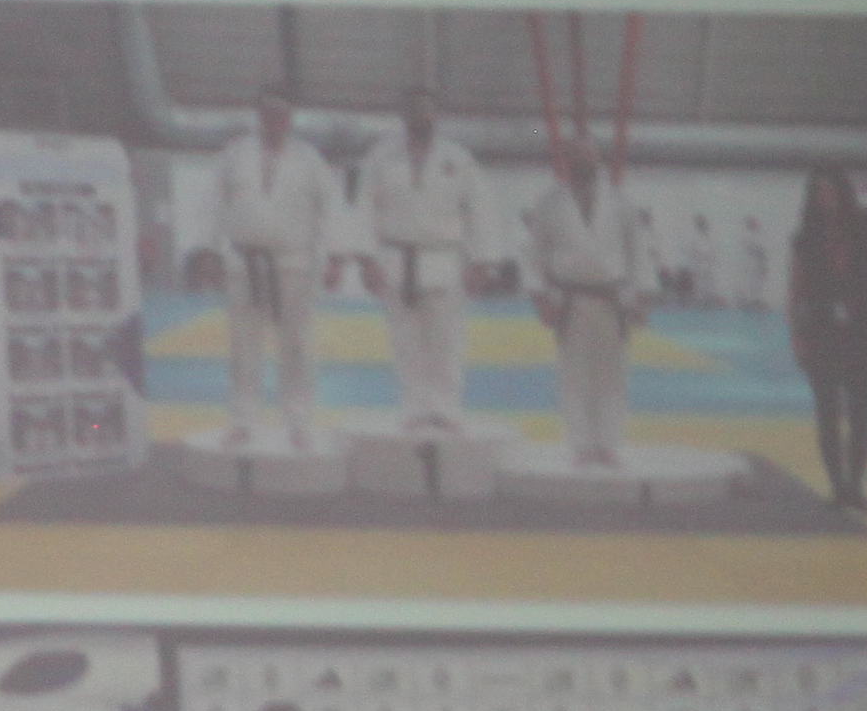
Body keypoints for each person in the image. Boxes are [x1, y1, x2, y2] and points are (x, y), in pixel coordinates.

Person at [355, 90, 500, 433]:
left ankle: (446, 408)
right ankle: (413, 408)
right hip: (395, 256)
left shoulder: (458, 158)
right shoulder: (380, 157)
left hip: (444, 257)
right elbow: (363, 208)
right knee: (404, 339)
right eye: (415, 110)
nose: (421, 117)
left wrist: (482, 262)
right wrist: (366, 260)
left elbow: (480, 209)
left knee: (446, 339)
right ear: (403, 115)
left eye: (427, 111)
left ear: (438, 115)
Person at [209, 85, 338, 451]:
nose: (274, 119)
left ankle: (298, 421)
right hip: (243, 262)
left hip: (294, 263)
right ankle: (243, 421)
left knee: (296, 346)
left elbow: (330, 209)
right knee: (243, 347)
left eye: (281, 113)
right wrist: (208, 250)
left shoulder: (309, 159)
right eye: (268, 112)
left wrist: (335, 258)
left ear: (290, 118)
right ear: (258, 115)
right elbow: (214, 204)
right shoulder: (235, 154)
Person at [785, 165, 867, 519]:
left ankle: (856, 487)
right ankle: (837, 487)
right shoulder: (805, 238)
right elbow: (794, 291)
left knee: (862, 416)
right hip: (821, 332)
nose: (826, 199)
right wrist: (796, 335)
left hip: (863, 332)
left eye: (831, 191)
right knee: (827, 415)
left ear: (844, 193)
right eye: (819, 193)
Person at [525, 143, 646, 469]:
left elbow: (637, 252)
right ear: (567, 160)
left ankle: (608, 444)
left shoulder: (621, 201)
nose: (583, 161)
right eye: (576, 155)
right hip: (569, 299)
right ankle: (580, 444)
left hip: (613, 298)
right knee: (572, 373)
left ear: (599, 160)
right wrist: (540, 300)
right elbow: (535, 255)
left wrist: (642, 297)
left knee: (613, 374)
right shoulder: (549, 203)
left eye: (588, 155)